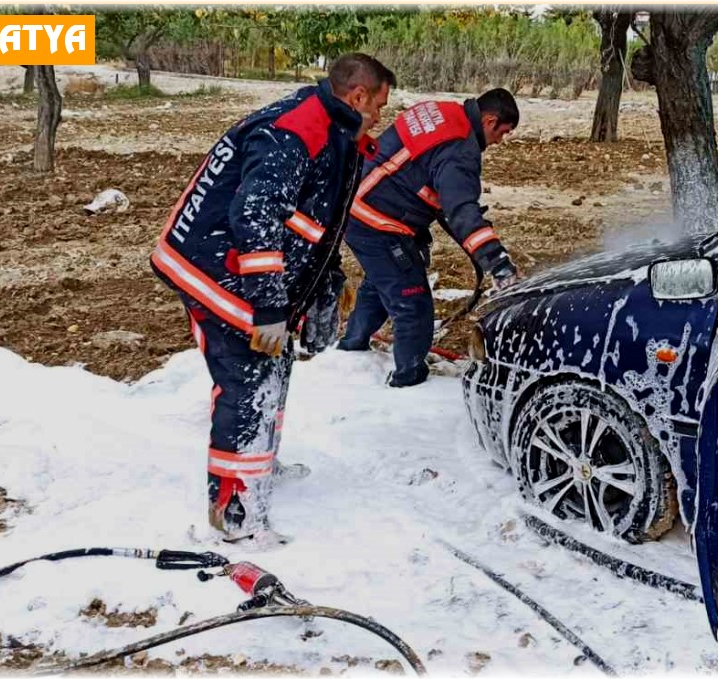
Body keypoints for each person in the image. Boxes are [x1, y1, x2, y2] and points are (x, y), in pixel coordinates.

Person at [150, 53, 395, 546]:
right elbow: (256, 216)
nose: (381, 117)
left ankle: (259, 463)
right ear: (359, 96)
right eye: (380, 106)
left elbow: (309, 218)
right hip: (217, 270)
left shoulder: (331, 127)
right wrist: (267, 309)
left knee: (272, 368)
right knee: (247, 378)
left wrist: (327, 277)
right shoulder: (299, 129)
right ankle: (235, 513)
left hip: (240, 267)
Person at [337, 89, 522, 387]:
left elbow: (420, 172)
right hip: (376, 218)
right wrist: (498, 264)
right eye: (503, 132)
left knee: (383, 281)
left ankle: (350, 352)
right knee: (413, 305)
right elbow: (461, 211)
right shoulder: (460, 151)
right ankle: (408, 382)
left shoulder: (443, 111)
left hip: (358, 199)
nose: (500, 140)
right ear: (489, 121)